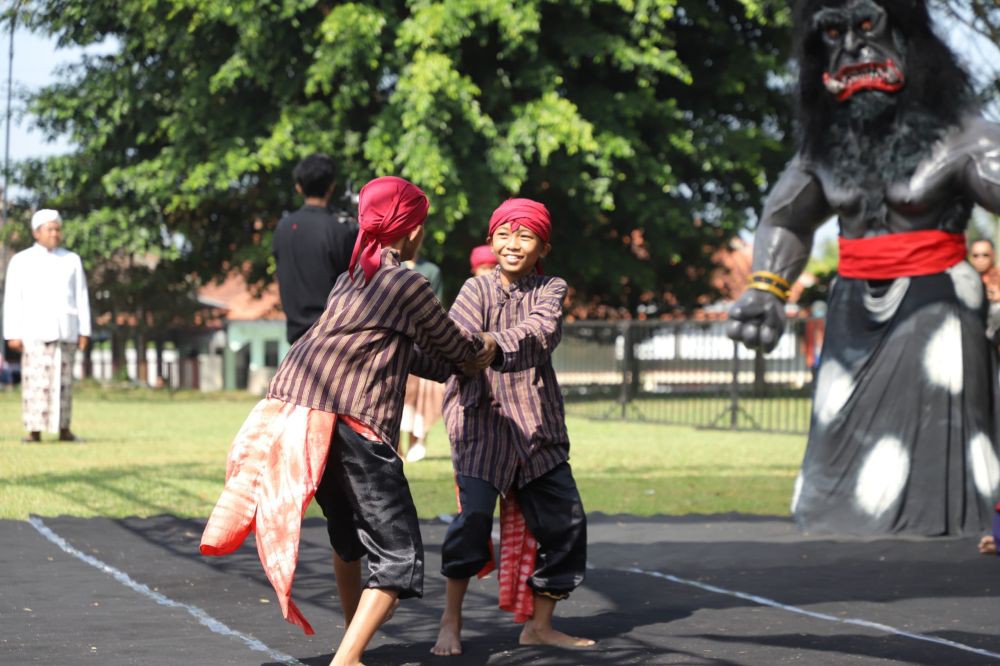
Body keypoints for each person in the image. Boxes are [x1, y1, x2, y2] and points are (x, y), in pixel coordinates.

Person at [727, 0, 1000, 535]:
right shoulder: (821, 152)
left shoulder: (968, 137)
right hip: (853, 309)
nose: (852, 47)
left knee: (943, 430)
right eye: (832, 32)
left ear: (908, 36)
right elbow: (785, 219)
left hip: (939, 305)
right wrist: (765, 287)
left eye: (867, 24)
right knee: (836, 440)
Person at [200, 176, 493, 666]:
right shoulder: (407, 282)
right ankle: (348, 659)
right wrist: (486, 348)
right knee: (399, 556)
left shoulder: (352, 276)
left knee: (348, 536)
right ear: (412, 229)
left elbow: (408, 353)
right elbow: (455, 349)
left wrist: (457, 364)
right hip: (353, 422)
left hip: (302, 412)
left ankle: (353, 642)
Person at [427, 198, 594, 656]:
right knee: (472, 523)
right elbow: (454, 336)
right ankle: (451, 620)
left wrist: (490, 345)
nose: (513, 244)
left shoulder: (551, 289)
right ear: (491, 240)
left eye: (525, 236)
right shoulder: (473, 290)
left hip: (538, 430)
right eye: (504, 234)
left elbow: (540, 334)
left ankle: (539, 625)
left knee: (566, 527)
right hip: (480, 424)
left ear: (543, 246)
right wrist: (462, 347)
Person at [3, 209, 91, 443]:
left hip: (65, 331)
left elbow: (81, 296)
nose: (54, 233)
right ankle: (34, 431)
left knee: (64, 384)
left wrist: (85, 330)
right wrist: (12, 333)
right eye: (49, 229)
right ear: (36, 232)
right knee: (36, 384)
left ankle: (64, 429)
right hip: (34, 332)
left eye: (57, 229)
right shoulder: (22, 261)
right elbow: (12, 299)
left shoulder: (71, 260)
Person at [272, 153, 358, 344]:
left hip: (296, 347)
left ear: (299, 187)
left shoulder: (282, 228)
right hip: (333, 342)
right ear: (332, 187)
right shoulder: (340, 230)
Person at [399, 254, 446, 462]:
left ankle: (417, 441)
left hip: (422, 341)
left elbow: (436, 307)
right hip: (397, 338)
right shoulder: (393, 267)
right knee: (399, 395)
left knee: (420, 396)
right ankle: (397, 446)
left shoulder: (431, 270)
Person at [970, 239, 1000, 343]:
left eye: (985, 255)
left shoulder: (997, 278)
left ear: (993, 255)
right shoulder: (966, 282)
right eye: (976, 255)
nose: (980, 259)